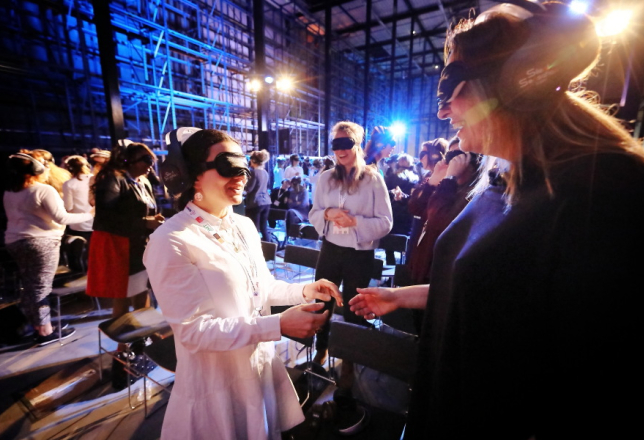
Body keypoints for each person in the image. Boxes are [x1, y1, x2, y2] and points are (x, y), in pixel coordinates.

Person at [349, 2, 644, 438]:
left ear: (511, 85)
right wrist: (401, 296)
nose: (444, 112)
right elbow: (501, 288)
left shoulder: (603, 193)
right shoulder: (506, 177)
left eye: (450, 91)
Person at [142, 128, 342, 440]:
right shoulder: (171, 240)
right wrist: (277, 325)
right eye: (227, 166)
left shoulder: (243, 225)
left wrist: (303, 291)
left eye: (243, 167)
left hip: (259, 369)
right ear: (191, 174)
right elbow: (193, 331)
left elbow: (262, 287)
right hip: (216, 384)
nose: (241, 176)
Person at [309, 121, 392, 384]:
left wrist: (355, 221)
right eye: (336, 144)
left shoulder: (373, 179)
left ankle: (349, 360)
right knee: (323, 301)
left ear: (357, 144)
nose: (340, 150)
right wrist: (327, 213)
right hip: (330, 249)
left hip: (359, 254)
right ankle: (321, 348)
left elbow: (386, 222)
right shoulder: (325, 178)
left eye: (346, 143)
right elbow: (313, 212)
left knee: (352, 309)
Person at [86, 141, 164, 387]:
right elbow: (106, 218)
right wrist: (145, 222)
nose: (150, 166)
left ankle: (140, 339)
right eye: (146, 161)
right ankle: (123, 350)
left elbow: (140, 211)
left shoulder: (142, 181)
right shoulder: (113, 179)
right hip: (121, 247)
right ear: (129, 160)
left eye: (151, 161)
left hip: (139, 246)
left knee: (141, 293)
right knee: (122, 296)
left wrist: (151, 220)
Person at [3, 152, 93, 345]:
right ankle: (45, 332)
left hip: (14, 242)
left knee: (30, 284)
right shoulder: (43, 190)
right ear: (36, 170)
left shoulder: (10, 192)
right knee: (41, 287)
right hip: (41, 243)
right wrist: (90, 214)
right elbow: (62, 218)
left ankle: (35, 325)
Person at [62, 155, 94, 243]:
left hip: (78, 225)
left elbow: (68, 207)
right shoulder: (95, 178)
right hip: (95, 223)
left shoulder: (69, 184)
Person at [244, 149, 271, 241]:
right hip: (266, 202)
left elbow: (249, 189)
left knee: (254, 229)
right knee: (264, 228)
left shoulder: (253, 172)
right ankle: (269, 247)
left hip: (255, 203)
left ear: (253, 160)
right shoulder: (265, 172)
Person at [284, 176, 309, 240]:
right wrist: (297, 203)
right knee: (290, 214)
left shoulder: (304, 192)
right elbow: (289, 205)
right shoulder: (292, 192)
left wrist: (293, 202)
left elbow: (303, 205)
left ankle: (289, 235)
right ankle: (291, 235)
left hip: (302, 213)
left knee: (290, 213)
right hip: (293, 212)